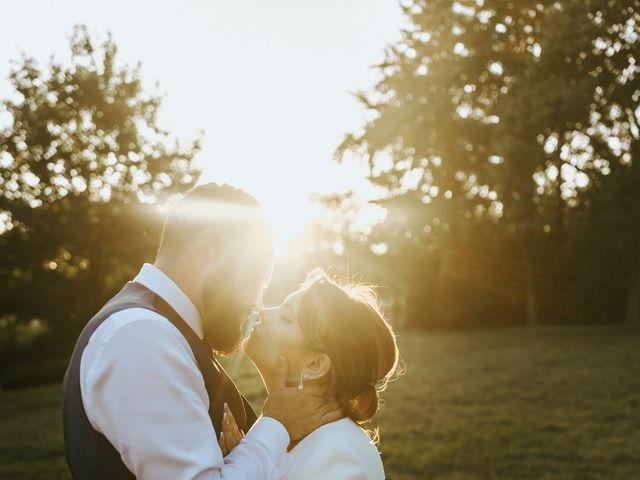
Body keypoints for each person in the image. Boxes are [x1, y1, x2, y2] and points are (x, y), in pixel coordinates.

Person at [62, 183, 341, 479]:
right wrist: (277, 423)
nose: (256, 304)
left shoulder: (164, 333)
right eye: (255, 279)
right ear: (217, 247)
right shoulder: (141, 337)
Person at [221, 269, 400, 479]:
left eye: (286, 317)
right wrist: (242, 463)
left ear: (315, 364)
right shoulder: (282, 434)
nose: (264, 312)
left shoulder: (342, 455)